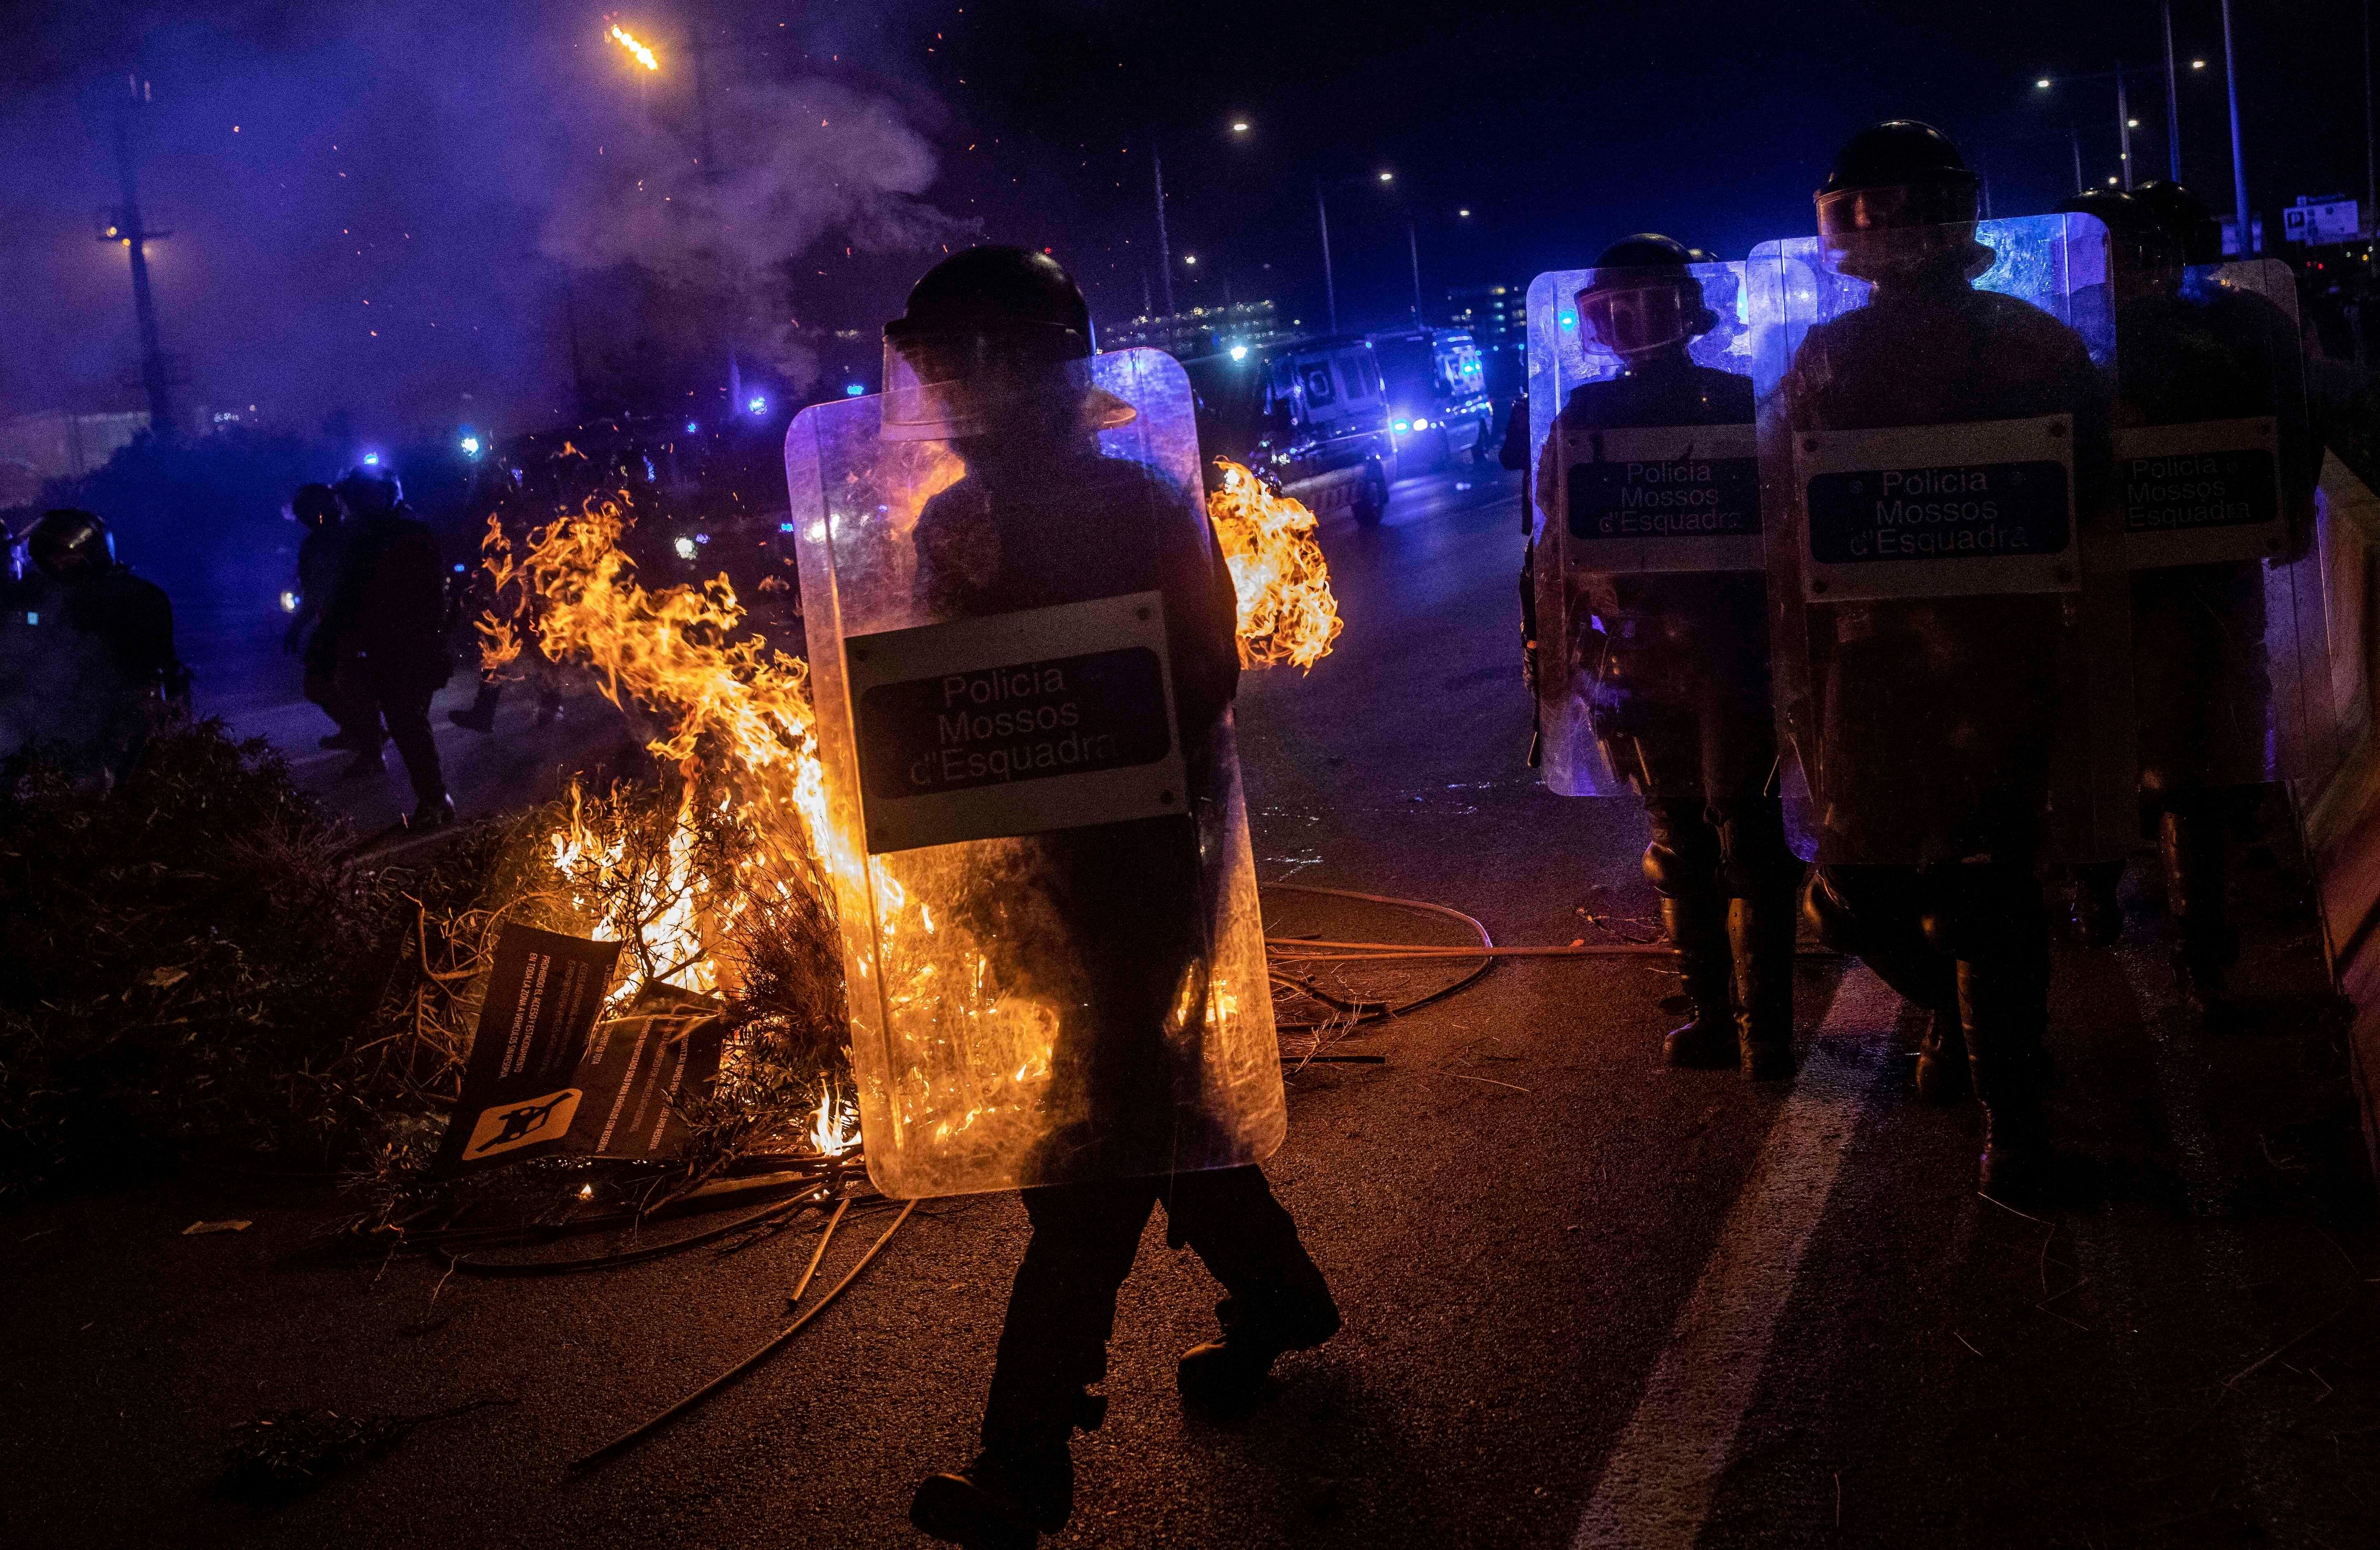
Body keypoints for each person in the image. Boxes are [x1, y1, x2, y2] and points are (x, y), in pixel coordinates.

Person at [888, 247, 1338, 1550]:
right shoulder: (943, 526)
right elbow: (930, 712)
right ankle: (1282, 1297)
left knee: (1090, 1147)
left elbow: (1206, 675)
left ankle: (1024, 1463)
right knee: (1154, 1114)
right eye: (949, 365)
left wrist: (1083, 724)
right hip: (1035, 879)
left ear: (1051, 368)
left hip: (1145, 864)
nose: (972, 388)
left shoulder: (1141, 499)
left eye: (996, 358)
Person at [1772, 121, 2118, 1198]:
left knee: (1991, 891)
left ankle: (2013, 1132)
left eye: (1900, 208)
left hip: (1997, 658)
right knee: (1857, 891)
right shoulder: (1827, 356)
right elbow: (1785, 513)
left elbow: (2090, 493)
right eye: (1864, 213)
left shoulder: (2029, 343)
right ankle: (1964, 1026)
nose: (1886, 233)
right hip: (1869, 671)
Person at [1537, 237, 1800, 1079]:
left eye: (1643, 306)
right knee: (1694, 838)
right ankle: (1737, 1026)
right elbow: (1561, 544)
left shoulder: (1728, 402)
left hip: (1718, 651)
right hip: (1664, 655)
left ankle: (1754, 1031)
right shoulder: (1591, 416)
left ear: (1688, 311)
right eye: (1608, 311)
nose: (1626, 326)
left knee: (1731, 836)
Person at [2056, 186, 2318, 1019]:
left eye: (2133, 251)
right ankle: (2182, 942)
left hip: (2158, 573)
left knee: (2157, 747)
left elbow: (2290, 429)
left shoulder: (2070, 337)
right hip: (2158, 573)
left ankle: (2156, 924)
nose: (2122, 268)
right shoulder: (2235, 326)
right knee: (2172, 751)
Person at [7, 508, 188, 783]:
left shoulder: (131, 597)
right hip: (57, 722)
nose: (55, 564)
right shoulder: (40, 597)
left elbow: (153, 675)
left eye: (62, 556)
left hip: (113, 722)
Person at [319, 467, 455, 828]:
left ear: (385, 495)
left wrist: (436, 644)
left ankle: (435, 800)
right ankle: (434, 797)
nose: (361, 503)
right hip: (380, 646)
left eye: (368, 495)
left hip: (412, 644)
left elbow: (434, 597)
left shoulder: (411, 534)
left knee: (408, 722)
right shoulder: (361, 538)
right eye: (356, 497)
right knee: (403, 720)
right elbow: (349, 596)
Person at [283, 482, 373, 751]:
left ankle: (367, 740)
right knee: (333, 685)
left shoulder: (332, 540)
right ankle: (360, 732)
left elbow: (320, 592)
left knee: (338, 685)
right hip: (341, 624)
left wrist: (298, 626)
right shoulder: (343, 536)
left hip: (347, 626)